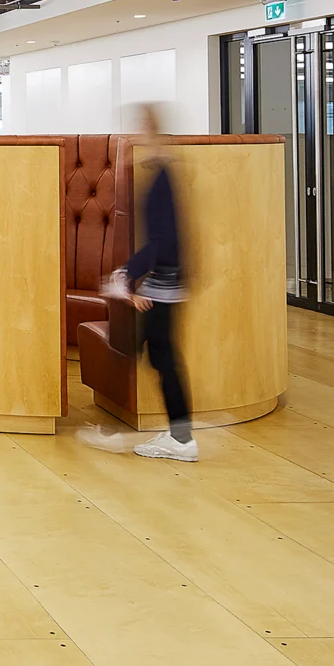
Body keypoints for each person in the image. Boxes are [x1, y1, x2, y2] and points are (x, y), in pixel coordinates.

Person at [84, 103, 197, 462]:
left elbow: (164, 238)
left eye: (143, 124)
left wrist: (128, 275)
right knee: (152, 351)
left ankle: (180, 439)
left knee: (159, 355)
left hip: (163, 283)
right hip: (164, 282)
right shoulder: (162, 171)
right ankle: (176, 435)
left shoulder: (162, 177)